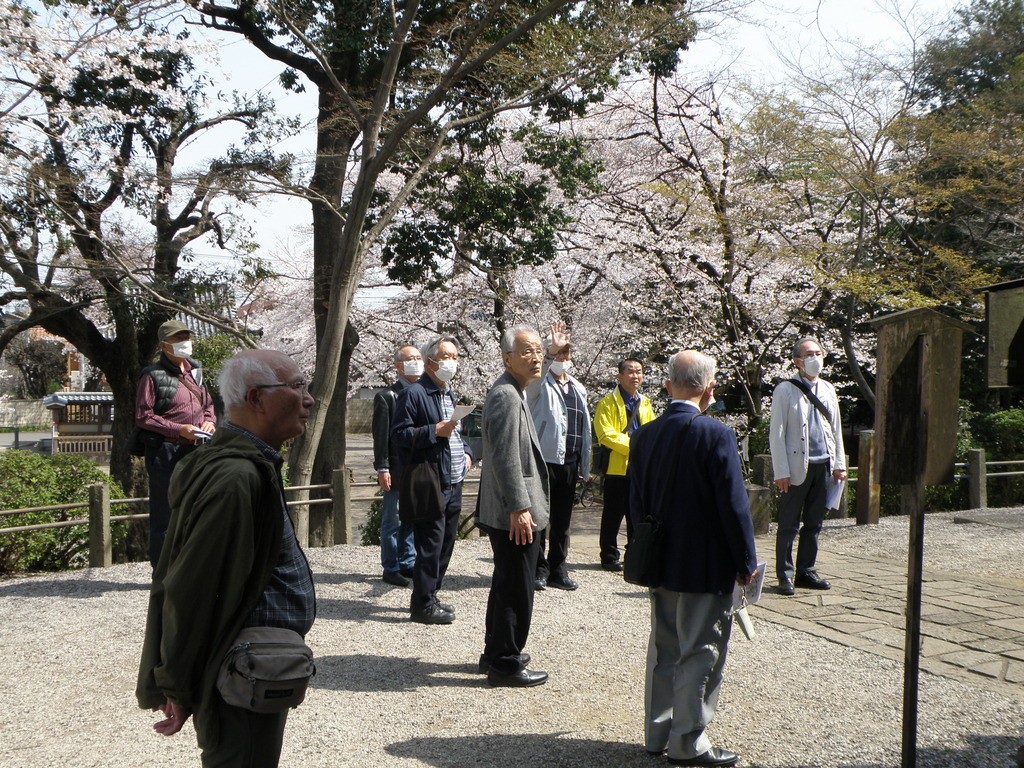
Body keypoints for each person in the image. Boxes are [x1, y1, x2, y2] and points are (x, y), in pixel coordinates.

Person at [136, 349, 317, 768]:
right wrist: (178, 686)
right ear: (256, 399)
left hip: (256, 660)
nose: (308, 399)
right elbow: (190, 591)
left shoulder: (248, 464)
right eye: (297, 387)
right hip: (239, 668)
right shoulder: (237, 478)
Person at [628, 349, 758, 768]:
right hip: (705, 561)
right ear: (710, 388)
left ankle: (657, 733)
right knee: (701, 651)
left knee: (664, 649)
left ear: (668, 386)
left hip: (658, 558)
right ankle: (687, 741)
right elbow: (734, 507)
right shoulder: (715, 434)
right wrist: (746, 560)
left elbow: (635, 502)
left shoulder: (644, 435)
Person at [477, 325, 550, 687]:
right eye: (526, 351)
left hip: (509, 509)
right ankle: (505, 663)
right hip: (514, 513)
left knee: (506, 582)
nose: (536, 357)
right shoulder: (506, 395)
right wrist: (520, 508)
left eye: (539, 350)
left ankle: (495, 653)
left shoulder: (513, 390)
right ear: (508, 358)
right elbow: (505, 459)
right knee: (516, 588)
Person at [391, 335, 474, 625]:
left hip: (454, 479)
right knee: (430, 545)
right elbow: (399, 435)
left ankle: (431, 595)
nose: (452, 362)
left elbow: (456, 433)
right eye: (446, 357)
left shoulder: (448, 393)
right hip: (431, 481)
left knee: (446, 542)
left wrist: (468, 453)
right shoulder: (414, 394)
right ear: (430, 363)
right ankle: (422, 604)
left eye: (455, 357)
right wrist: (432, 431)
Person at [134, 319, 217, 569]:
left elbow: (208, 405)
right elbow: (143, 416)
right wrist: (178, 429)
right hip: (165, 450)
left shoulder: (196, 370)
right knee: (165, 512)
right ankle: (162, 571)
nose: (185, 342)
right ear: (163, 345)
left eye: (186, 337)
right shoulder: (152, 375)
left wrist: (209, 421)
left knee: (198, 508)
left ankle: (191, 567)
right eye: (178, 338)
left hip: (197, 448)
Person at [769, 336, 847, 596]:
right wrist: (781, 471)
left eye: (818, 353)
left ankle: (806, 570)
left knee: (814, 522)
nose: (815, 358)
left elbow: (835, 428)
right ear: (797, 361)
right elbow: (777, 433)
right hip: (795, 466)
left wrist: (839, 464)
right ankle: (785, 574)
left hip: (823, 463)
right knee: (788, 523)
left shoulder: (828, 389)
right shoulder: (785, 390)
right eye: (809, 354)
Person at [526, 320, 591, 591]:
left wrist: (585, 465)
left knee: (562, 520)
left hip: (570, 461)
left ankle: (558, 569)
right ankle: (538, 569)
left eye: (566, 352)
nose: (563, 357)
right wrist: (550, 351)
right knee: (540, 518)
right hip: (545, 460)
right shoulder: (539, 384)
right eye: (558, 353)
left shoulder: (578, 387)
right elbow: (535, 377)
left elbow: (584, 428)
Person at [593, 357, 655, 571]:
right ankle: (609, 557)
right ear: (619, 376)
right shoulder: (607, 402)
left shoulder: (645, 403)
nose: (635, 375)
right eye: (630, 371)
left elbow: (651, 431)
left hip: (639, 468)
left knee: (636, 514)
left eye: (639, 371)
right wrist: (636, 446)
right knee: (612, 514)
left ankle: (634, 556)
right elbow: (605, 434)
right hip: (616, 468)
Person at [372, 344, 422, 587]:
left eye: (419, 357)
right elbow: (380, 436)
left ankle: (407, 560)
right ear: (398, 366)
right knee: (392, 520)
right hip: (395, 466)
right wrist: (382, 468)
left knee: (410, 516)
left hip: (417, 467)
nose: (417, 362)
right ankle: (390, 566)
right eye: (411, 358)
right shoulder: (387, 397)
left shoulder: (422, 393)